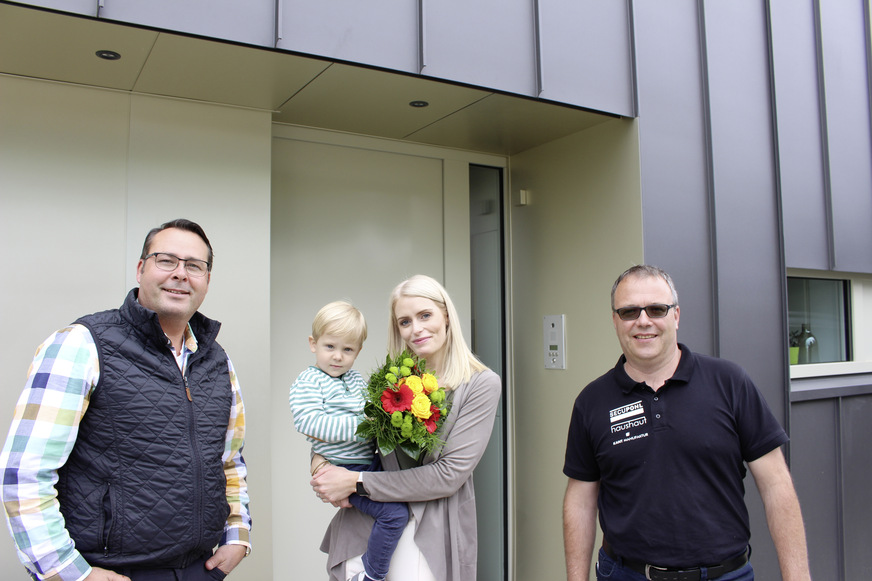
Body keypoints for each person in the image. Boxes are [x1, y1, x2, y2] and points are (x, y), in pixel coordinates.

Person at [0, 219, 251, 581]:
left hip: (200, 568)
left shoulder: (217, 360)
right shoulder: (81, 344)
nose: (181, 273)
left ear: (207, 280)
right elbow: (24, 471)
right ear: (140, 269)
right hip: (113, 572)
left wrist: (237, 534)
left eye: (194, 265)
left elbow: (229, 461)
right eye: (167, 260)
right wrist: (67, 573)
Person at [563, 265, 811, 581]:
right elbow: (580, 501)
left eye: (656, 309)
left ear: (676, 315)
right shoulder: (591, 402)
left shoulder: (730, 383)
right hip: (627, 574)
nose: (643, 321)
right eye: (629, 311)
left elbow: (776, 485)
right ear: (615, 320)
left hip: (724, 575)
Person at [310, 274, 502, 581]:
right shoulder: (392, 379)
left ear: (446, 315)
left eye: (425, 315)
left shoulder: (481, 384)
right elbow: (346, 432)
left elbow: (448, 475)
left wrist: (356, 481)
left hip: (430, 530)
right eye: (405, 321)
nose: (416, 329)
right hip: (370, 526)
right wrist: (320, 465)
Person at [289, 300, 408, 581]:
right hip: (344, 470)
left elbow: (373, 413)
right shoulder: (308, 381)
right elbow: (309, 423)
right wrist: (363, 426)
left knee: (407, 499)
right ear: (313, 344)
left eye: (348, 350)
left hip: (370, 464)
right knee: (395, 515)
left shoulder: (355, 380)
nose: (338, 357)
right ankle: (372, 574)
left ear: (358, 351)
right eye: (330, 346)